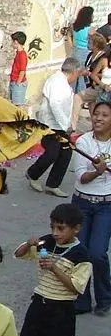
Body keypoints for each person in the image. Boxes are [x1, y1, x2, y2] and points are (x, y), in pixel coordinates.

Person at [9, 203, 92, 336]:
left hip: (61, 309)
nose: (55, 233)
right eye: (53, 227)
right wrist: (29, 243)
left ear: (76, 229)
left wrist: (54, 267)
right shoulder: (46, 242)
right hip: (39, 303)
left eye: (61, 228)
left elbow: (76, 287)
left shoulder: (81, 255)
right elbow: (18, 254)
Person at [72, 99, 111, 316]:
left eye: (105, 115)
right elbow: (81, 177)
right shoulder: (83, 142)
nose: (98, 118)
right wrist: (97, 172)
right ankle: (81, 300)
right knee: (81, 251)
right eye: (96, 114)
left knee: (97, 253)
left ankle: (105, 298)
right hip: (82, 204)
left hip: (107, 205)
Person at [27, 58, 82, 197]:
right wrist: (66, 125)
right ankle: (32, 173)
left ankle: (53, 184)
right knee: (52, 153)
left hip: (59, 125)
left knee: (66, 153)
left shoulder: (62, 82)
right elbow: (56, 105)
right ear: (74, 72)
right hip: (50, 125)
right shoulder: (57, 82)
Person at [70, 5, 95, 91]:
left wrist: (72, 46)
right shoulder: (90, 29)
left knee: (74, 73)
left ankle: (72, 92)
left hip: (75, 51)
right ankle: (81, 93)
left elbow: (69, 35)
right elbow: (92, 43)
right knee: (82, 75)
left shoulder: (74, 26)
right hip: (85, 53)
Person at [7, 30, 29, 107]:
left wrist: (18, 83)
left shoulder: (22, 55)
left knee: (18, 105)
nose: (11, 44)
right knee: (13, 104)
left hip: (18, 83)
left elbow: (22, 70)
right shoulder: (19, 53)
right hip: (14, 81)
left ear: (16, 42)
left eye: (12, 42)